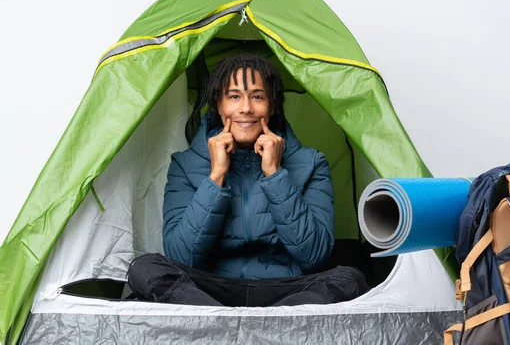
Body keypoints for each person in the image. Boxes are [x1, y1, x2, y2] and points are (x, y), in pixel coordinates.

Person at [127, 53, 369, 307]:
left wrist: (275, 174)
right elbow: (182, 257)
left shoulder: (312, 162)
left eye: (257, 96)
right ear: (219, 106)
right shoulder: (185, 164)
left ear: (272, 105)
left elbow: (313, 256)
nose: (245, 108)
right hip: (210, 292)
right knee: (144, 268)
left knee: (349, 279)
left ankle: (242, 329)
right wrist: (216, 176)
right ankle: (242, 327)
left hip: (286, 291)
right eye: (233, 96)